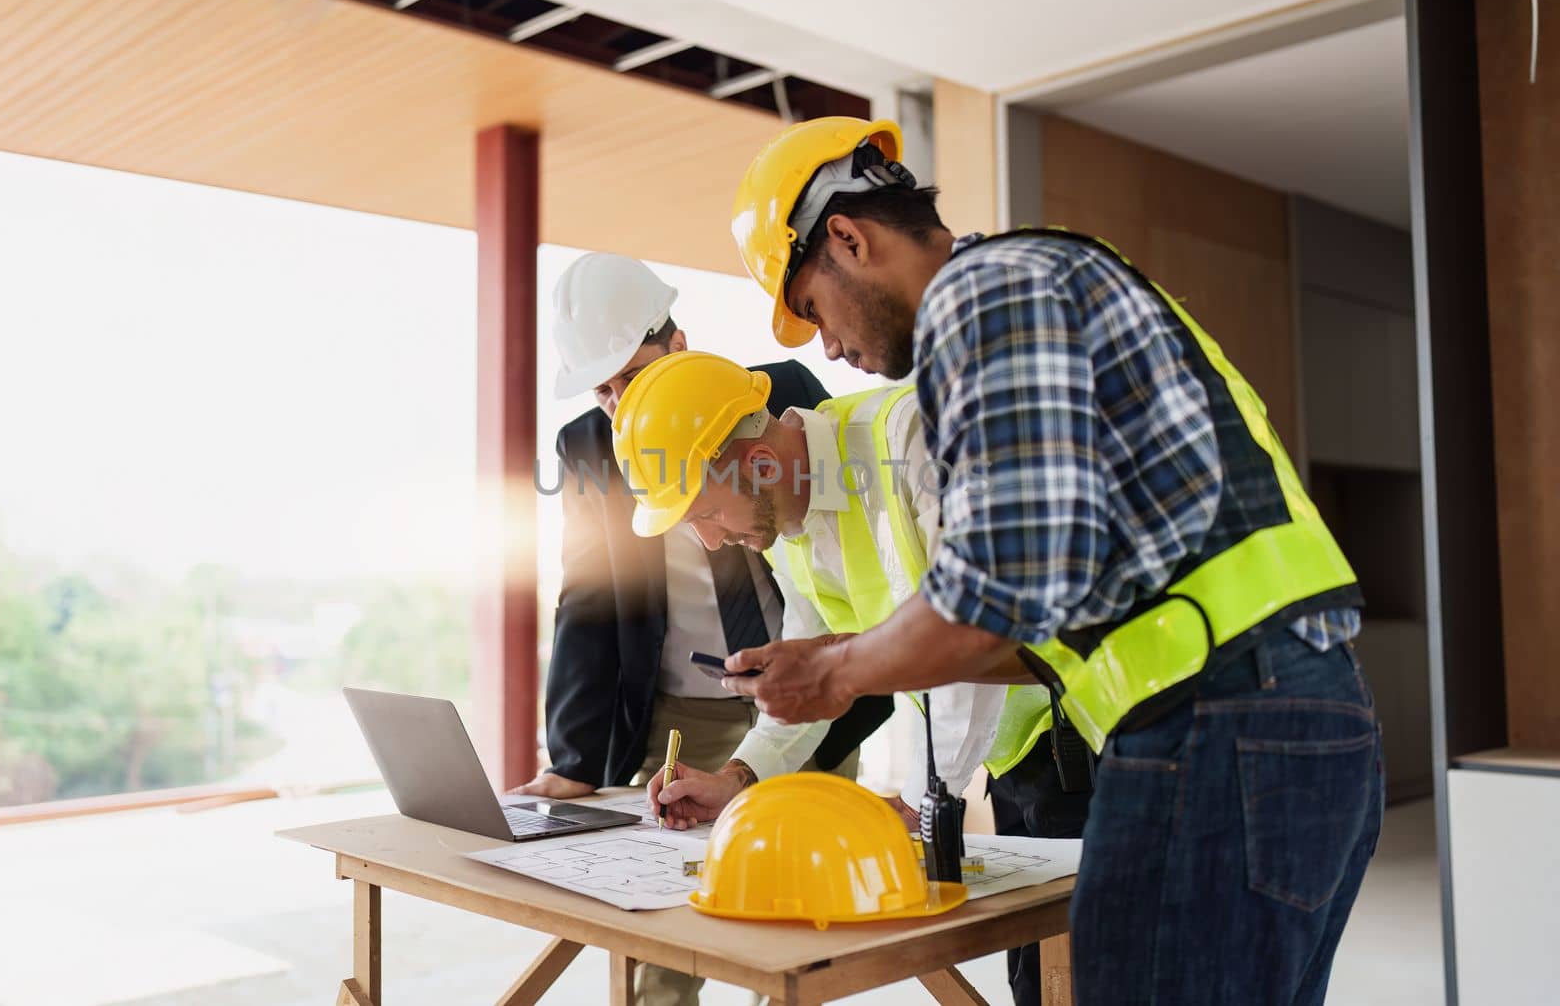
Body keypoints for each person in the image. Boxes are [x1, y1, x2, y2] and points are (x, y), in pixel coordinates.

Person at [716, 117, 1384, 1006]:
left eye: (813, 308)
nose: (827, 348)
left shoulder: (983, 294)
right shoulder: (1063, 273)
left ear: (848, 236)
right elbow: (1047, 611)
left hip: (1212, 722)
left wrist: (839, 670)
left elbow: (995, 586)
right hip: (1303, 714)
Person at [510, 252, 891, 1006]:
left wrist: (838, 679)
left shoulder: (776, 399)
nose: (621, 402)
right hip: (679, 705)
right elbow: (584, 598)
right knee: (659, 928)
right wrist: (574, 755)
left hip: (804, 683)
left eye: (632, 373)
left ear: (677, 344)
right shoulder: (589, 450)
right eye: (605, 388)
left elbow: (831, 570)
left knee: (792, 921)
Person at [606, 349, 1010, 833]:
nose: (713, 541)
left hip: (1077, 733)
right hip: (1008, 764)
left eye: (708, 515)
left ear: (762, 465)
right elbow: (809, 667)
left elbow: (964, 633)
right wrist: (739, 778)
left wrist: (915, 802)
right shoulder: (782, 521)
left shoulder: (910, 442)